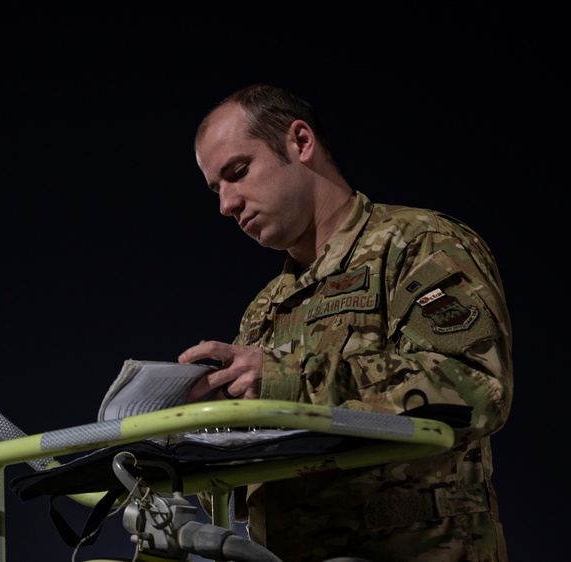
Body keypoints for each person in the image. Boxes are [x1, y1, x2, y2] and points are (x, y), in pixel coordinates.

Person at [177, 84, 512, 561]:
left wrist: (284, 381)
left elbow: (479, 389)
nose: (226, 204)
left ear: (300, 142)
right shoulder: (265, 308)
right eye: (217, 188)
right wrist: (200, 437)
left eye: (238, 172)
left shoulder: (418, 244)